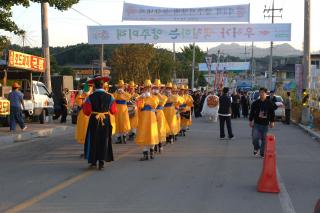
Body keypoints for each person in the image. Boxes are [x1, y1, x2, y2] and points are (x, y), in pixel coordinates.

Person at [82, 77, 117, 170]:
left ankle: (93, 161)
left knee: (93, 139)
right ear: (103, 85)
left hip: (94, 119)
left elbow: (87, 111)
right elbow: (113, 111)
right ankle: (102, 162)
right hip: (105, 119)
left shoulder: (90, 97)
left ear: (94, 86)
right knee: (104, 140)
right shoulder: (110, 97)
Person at [135, 79, 159, 161]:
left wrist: (149, 97)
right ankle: (145, 153)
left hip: (151, 117)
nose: (147, 89)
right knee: (143, 133)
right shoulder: (141, 97)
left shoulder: (154, 97)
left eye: (149, 88)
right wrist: (141, 98)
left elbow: (155, 105)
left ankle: (152, 152)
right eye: (146, 88)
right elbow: (138, 106)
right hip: (143, 117)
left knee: (151, 133)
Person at [249, 87, 275, 158]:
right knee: (255, 138)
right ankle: (256, 148)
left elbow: (272, 113)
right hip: (257, 123)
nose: (261, 94)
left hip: (265, 124)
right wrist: (250, 120)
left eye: (263, 93)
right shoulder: (255, 103)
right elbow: (252, 112)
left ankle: (262, 152)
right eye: (260, 93)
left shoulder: (269, 103)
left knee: (264, 139)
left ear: (266, 94)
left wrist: (272, 122)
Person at [152, 79, 168, 153]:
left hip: (160, 113)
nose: (156, 89)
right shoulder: (151, 96)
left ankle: (160, 144)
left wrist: (158, 94)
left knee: (160, 129)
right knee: (154, 129)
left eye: (158, 88)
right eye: (155, 88)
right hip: (152, 113)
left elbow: (162, 102)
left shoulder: (164, 96)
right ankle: (154, 145)